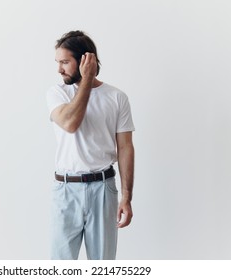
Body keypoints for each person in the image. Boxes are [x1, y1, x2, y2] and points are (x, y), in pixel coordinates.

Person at [46, 30, 135, 260]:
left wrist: (126, 197)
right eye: (58, 62)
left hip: (103, 188)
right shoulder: (57, 93)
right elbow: (70, 123)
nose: (59, 69)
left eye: (65, 62)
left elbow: (125, 148)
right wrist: (86, 80)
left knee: (102, 266)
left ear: (86, 60)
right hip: (66, 189)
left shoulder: (117, 97)